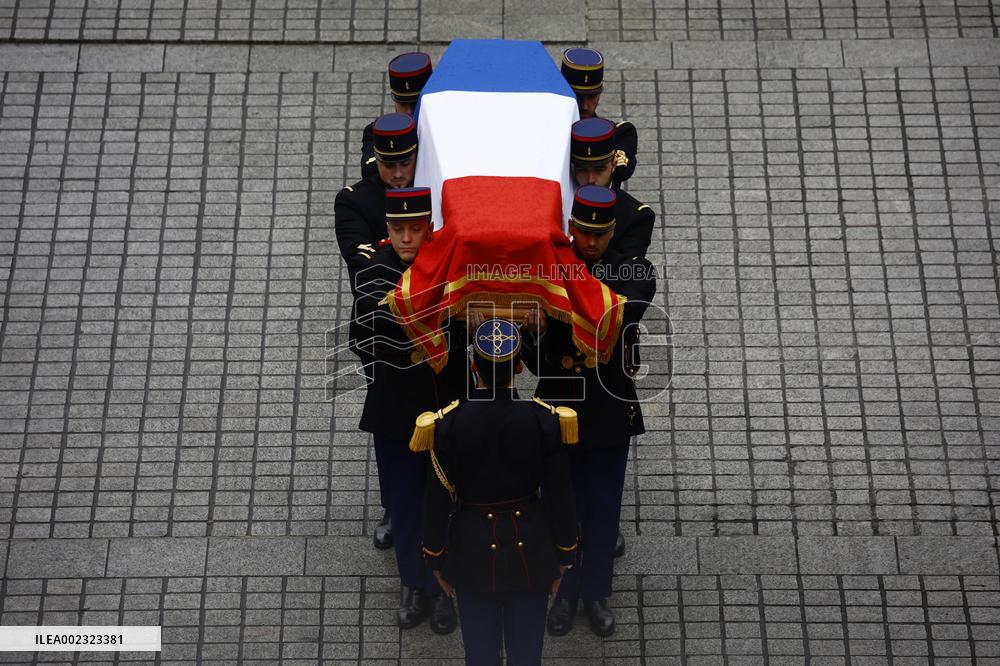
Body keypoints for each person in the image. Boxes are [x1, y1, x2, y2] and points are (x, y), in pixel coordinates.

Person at [522, 185, 656, 638]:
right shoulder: (550, 272)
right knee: (562, 504)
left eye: (601, 233)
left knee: (603, 507)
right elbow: (537, 364)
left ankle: (595, 591)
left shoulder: (630, 270)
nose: (592, 242)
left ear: (613, 231)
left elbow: (630, 303)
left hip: (608, 408)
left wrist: (567, 299)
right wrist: (534, 328)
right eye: (584, 232)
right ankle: (563, 591)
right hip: (559, 406)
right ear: (571, 228)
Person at [415, 317, 580, 665]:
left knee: (481, 655)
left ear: (474, 366)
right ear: (519, 367)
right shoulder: (542, 421)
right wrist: (563, 556)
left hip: (471, 555)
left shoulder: (449, 424)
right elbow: (561, 495)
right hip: (531, 553)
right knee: (526, 656)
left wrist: (436, 558)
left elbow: (437, 498)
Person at [351, 186, 464, 634]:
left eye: (413, 230)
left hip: (445, 407)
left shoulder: (450, 270)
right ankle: (413, 585)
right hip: (397, 408)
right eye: (397, 230)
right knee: (404, 500)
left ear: (427, 229)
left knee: (448, 498)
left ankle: (445, 587)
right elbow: (362, 337)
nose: (404, 239)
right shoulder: (374, 273)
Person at [336, 111, 419, 550]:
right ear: (376, 160)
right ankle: (395, 504)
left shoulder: (432, 186)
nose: (401, 174)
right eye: (391, 165)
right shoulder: (354, 201)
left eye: (407, 162)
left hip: (437, 329)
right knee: (391, 421)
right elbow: (364, 267)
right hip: (382, 330)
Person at [571, 117, 654, 260]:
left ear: (614, 165)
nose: (591, 180)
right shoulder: (557, 198)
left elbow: (625, 274)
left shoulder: (635, 218)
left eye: (599, 170)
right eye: (582, 169)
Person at [561, 47, 637, 189]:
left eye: (592, 96)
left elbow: (622, 171)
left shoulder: (620, 134)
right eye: (578, 96)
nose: (585, 106)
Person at [360, 52, 432, 178]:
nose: (409, 110)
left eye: (415, 103)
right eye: (403, 103)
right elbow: (370, 170)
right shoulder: (377, 132)